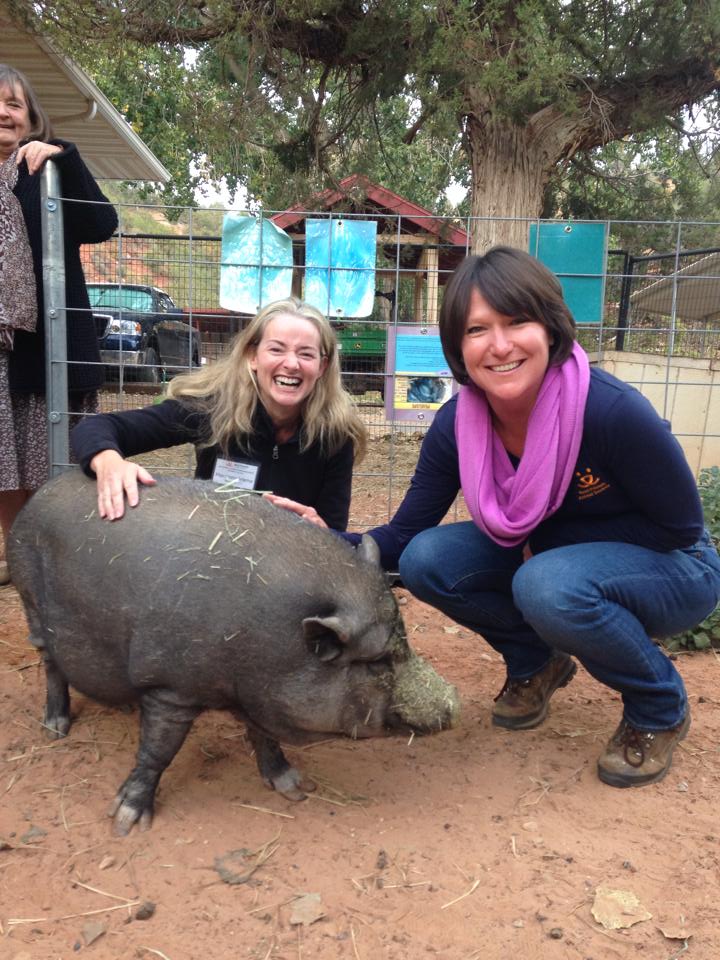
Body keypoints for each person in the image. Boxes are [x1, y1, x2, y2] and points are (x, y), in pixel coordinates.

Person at [343, 246, 720, 788]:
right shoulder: (457, 424)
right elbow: (404, 535)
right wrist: (322, 540)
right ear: (457, 346)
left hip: (678, 567)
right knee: (428, 560)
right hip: (557, 561)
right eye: (477, 329)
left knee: (546, 584)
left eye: (517, 321)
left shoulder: (610, 411)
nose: (499, 346)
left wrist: (545, 543)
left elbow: (679, 528)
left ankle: (659, 706)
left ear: (549, 327)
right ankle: (536, 662)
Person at [71, 297, 367, 531]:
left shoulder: (336, 434)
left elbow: (334, 531)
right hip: (213, 553)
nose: (292, 364)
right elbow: (95, 428)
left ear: (322, 366)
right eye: (277, 350)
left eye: (306, 354)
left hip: (285, 565)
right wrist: (108, 460)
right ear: (252, 356)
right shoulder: (213, 407)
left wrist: (322, 532)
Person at [0, 64, 118, 585]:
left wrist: (63, 159)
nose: (4, 113)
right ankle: (15, 554)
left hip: (44, 340)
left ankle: (58, 555)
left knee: (52, 456)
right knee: (5, 460)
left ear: (31, 118)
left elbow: (101, 224)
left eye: (14, 104)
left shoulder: (42, 169)